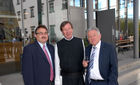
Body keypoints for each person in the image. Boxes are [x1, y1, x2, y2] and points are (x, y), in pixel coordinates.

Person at [55, 21, 85, 85]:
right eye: (65, 29)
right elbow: (57, 64)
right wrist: (57, 81)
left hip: (79, 78)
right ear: (62, 32)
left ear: (72, 29)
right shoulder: (58, 45)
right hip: (65, 79)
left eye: (69, 28)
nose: (67, 31)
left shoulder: (80, 42)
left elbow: (84, 59)